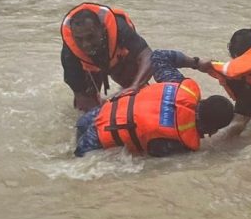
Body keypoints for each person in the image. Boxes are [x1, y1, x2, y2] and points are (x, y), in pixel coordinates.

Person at [74, 48, 233, 156]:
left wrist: (196, 63)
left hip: (93, 115)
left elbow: (158, 56)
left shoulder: (181, 86)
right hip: (97, 138)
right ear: (212, 131)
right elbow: (152, 155)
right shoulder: (181, 141)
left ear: (203, 99)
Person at [61, 2, 154, 112]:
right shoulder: (69, 53)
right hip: (90, 68)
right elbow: (80, 95)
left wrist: (135, 86)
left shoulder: (120, 27)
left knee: (138, 92)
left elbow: (148, 56)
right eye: (79, 39)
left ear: (103, 28)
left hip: (119, 60)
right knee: (86, 109)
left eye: (90, 37)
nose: (85, 44)